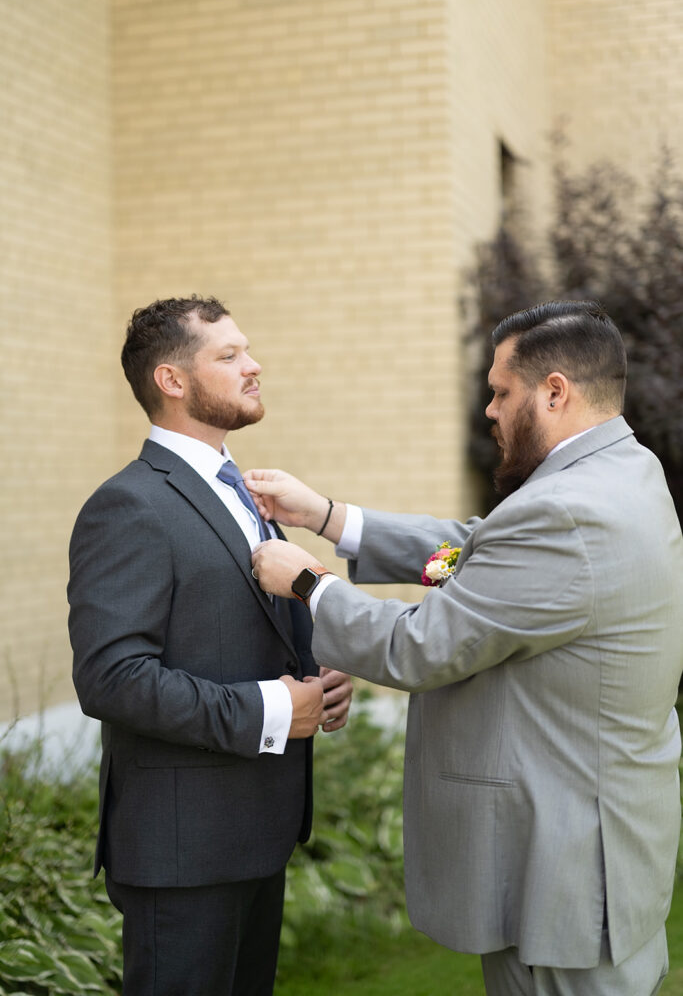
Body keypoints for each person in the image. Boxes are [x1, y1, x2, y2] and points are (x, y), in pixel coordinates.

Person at [248, 300, 683, 996]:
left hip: (559, 873)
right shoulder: (626, 472)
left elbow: (418, 649)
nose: (488, 409)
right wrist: (331, 518)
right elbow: (478, 552)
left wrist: (308, 582)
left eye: (499, 391)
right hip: (603, 844)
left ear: (553, 391)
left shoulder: (564, 513)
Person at [67, 295, 352, 996]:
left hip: (257, 832)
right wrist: (275, 713)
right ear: (171, 380)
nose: (253, 367)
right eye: (228, 356)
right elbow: (111, 678)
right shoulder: (129, 504)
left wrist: (318, 677)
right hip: (181, 851)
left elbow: (244, 627)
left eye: (246, 351)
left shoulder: (247, 493)